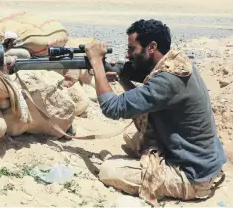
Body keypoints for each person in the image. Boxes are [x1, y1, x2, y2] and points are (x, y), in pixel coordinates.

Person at [84, 19, 227, 205]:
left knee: (108, 170)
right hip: (206, 163)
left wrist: (96, 64)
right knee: (133, 137)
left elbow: (112, 108)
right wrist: (121, 76)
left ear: (151, 47)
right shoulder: (178, 64)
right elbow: (142, 91)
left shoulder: (168, 81)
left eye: (132, 49)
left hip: (193, 175)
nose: (128, 55)